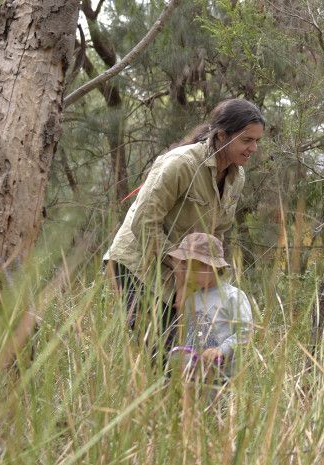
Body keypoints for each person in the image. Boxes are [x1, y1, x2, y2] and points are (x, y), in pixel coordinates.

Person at [104, 99, 265, 350]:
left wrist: (199, 280)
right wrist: (184, 274)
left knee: (189, 355)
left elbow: (216, 234)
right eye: (247, 140)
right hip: (137, 266)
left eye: (257, 141)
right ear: (222, 136)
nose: (253, 148)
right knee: (163, 355)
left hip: (184, 274)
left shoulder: (237, 177)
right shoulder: (181, 163)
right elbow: (144, 223)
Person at [165, 232, 253, 387]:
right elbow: (187, 335)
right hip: (193, 375)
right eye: (185, 266)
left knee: (217, 408)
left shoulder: (233, 296)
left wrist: (221, 350)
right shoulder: (191, 299)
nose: (188, 273)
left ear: (212, 267)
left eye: (194, 267)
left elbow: (245, 332)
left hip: (223, 377)